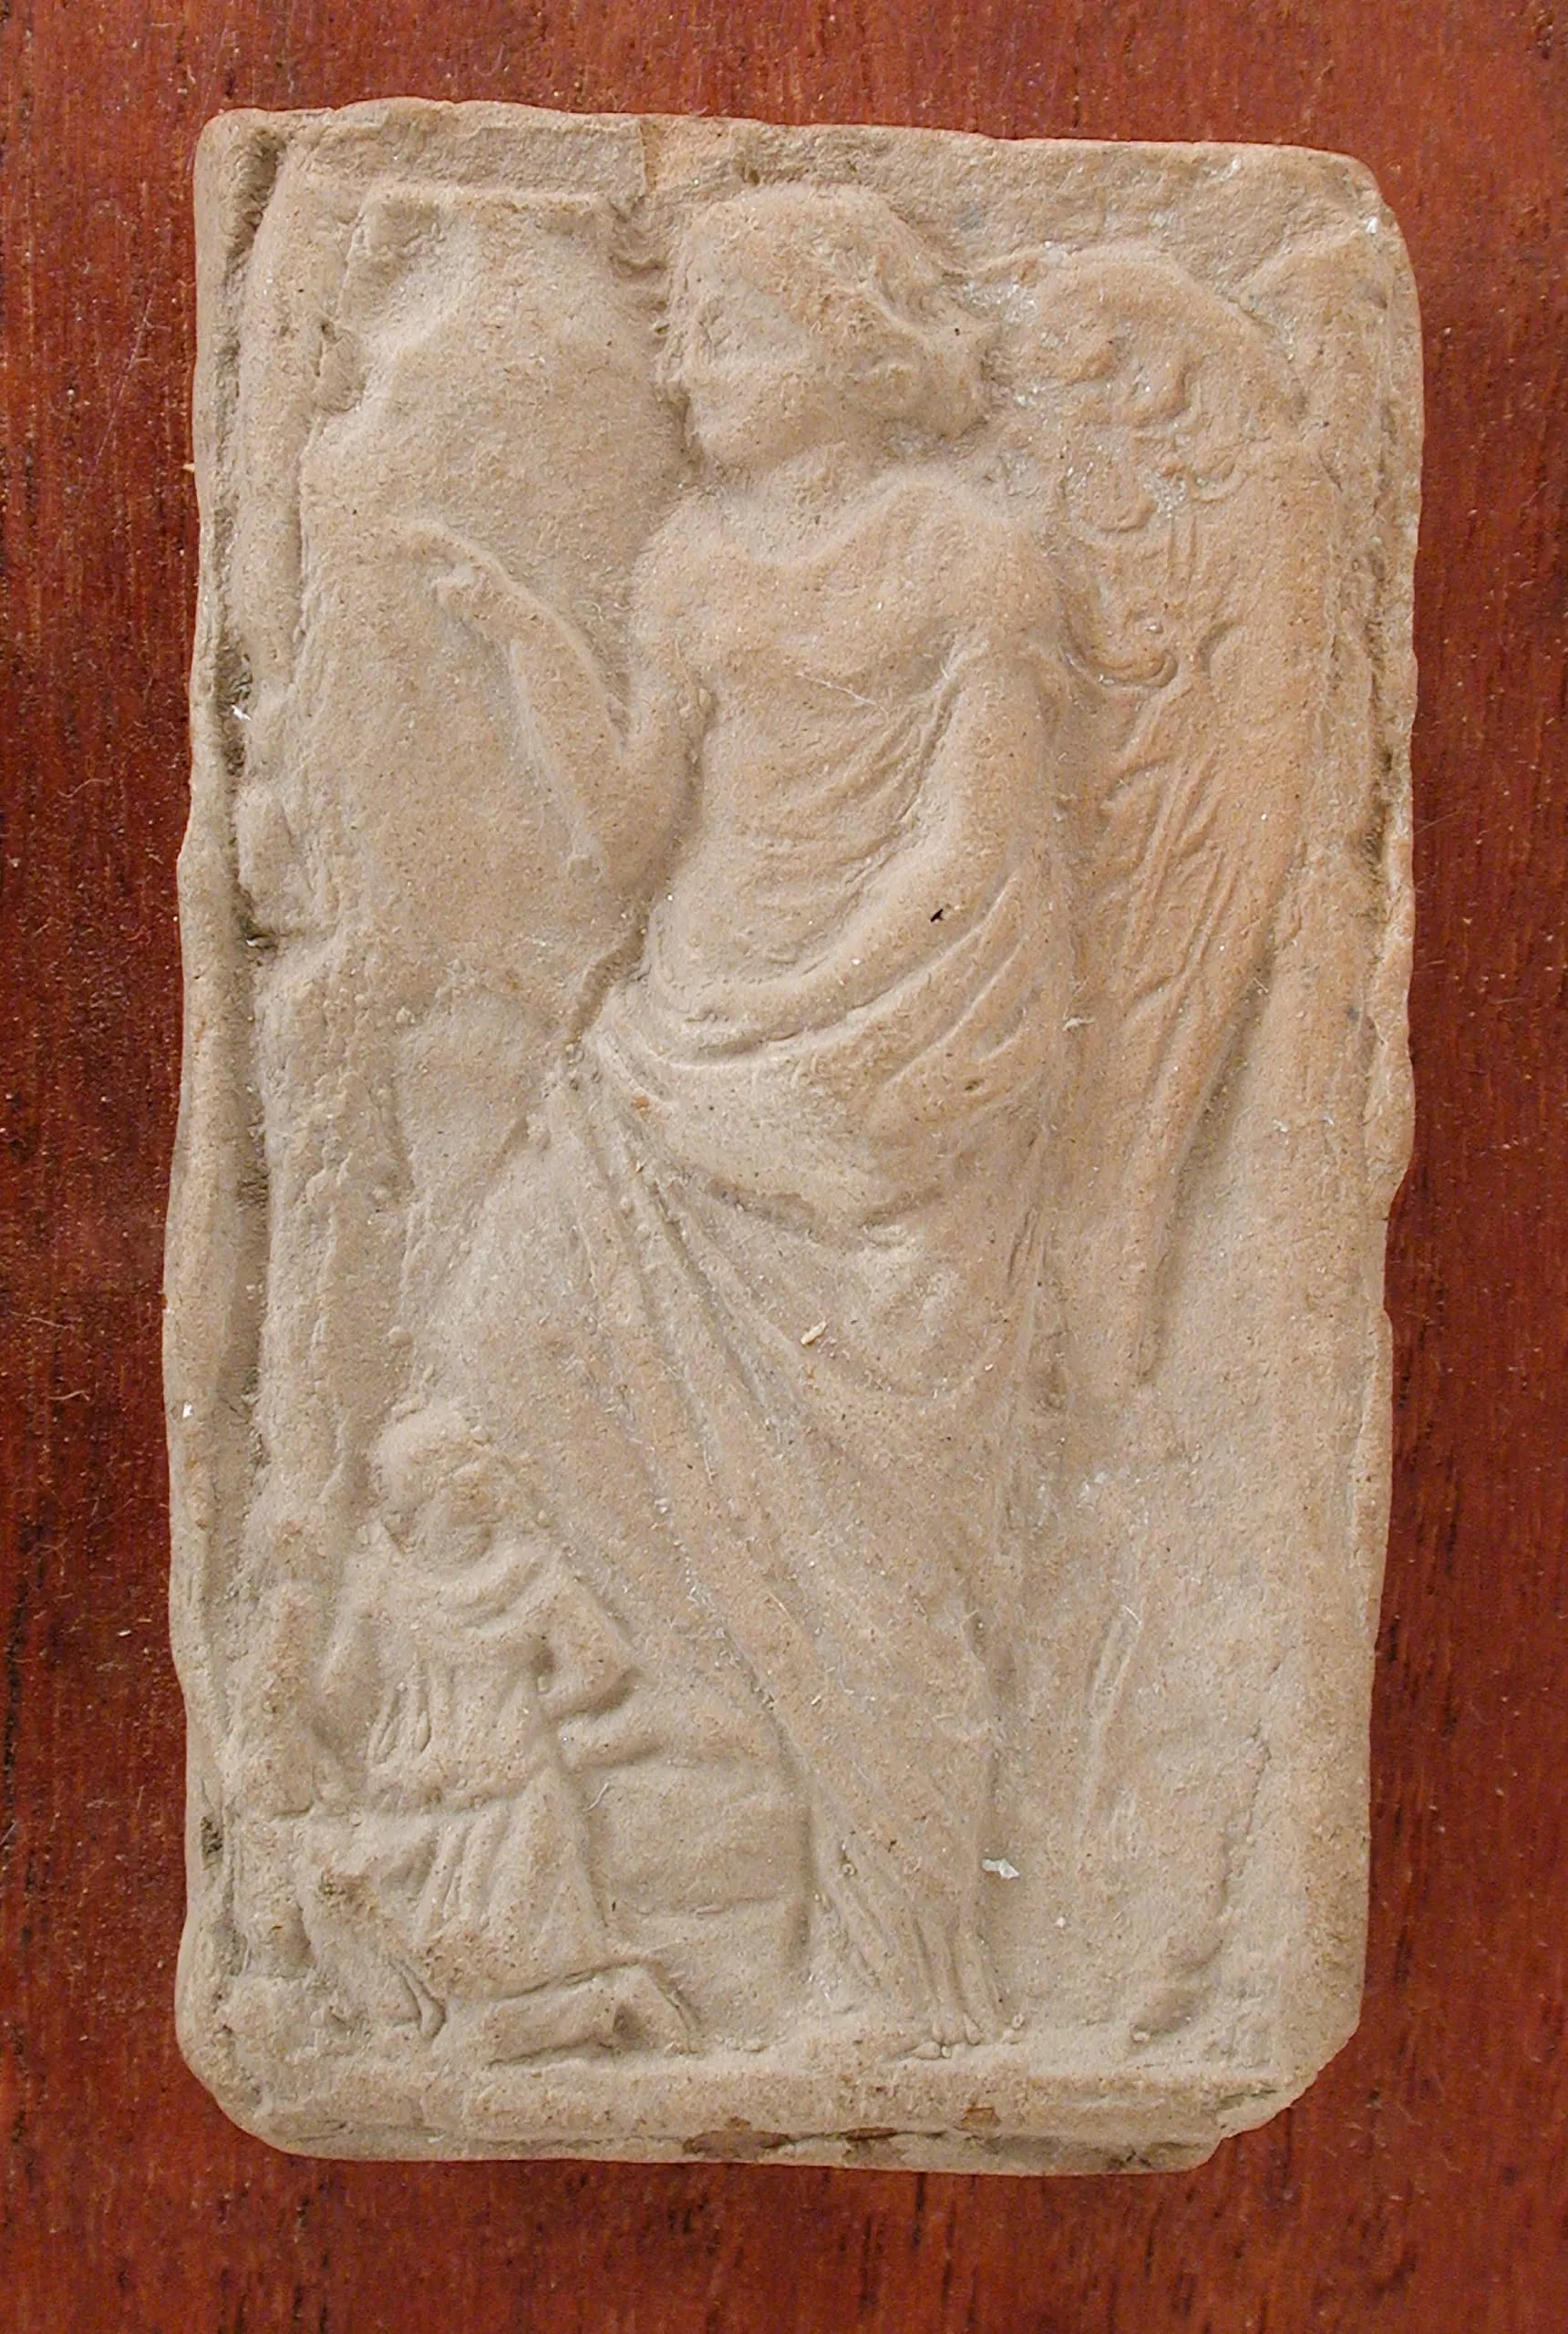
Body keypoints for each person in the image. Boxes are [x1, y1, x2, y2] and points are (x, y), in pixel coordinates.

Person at [410, 184, 1072, 2049]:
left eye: (734, 330)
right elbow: (635, 826)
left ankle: (893, 1975)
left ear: (853, 343)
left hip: (877, 1073)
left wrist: (830, 1038)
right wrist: (529, 643)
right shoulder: (689, 560)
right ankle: (641, 1791)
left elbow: (973, 841)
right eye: (687, 330)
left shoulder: (965, 550)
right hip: (674, 1047)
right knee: (500, 1338)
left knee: (867, 1539)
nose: (690, 367)